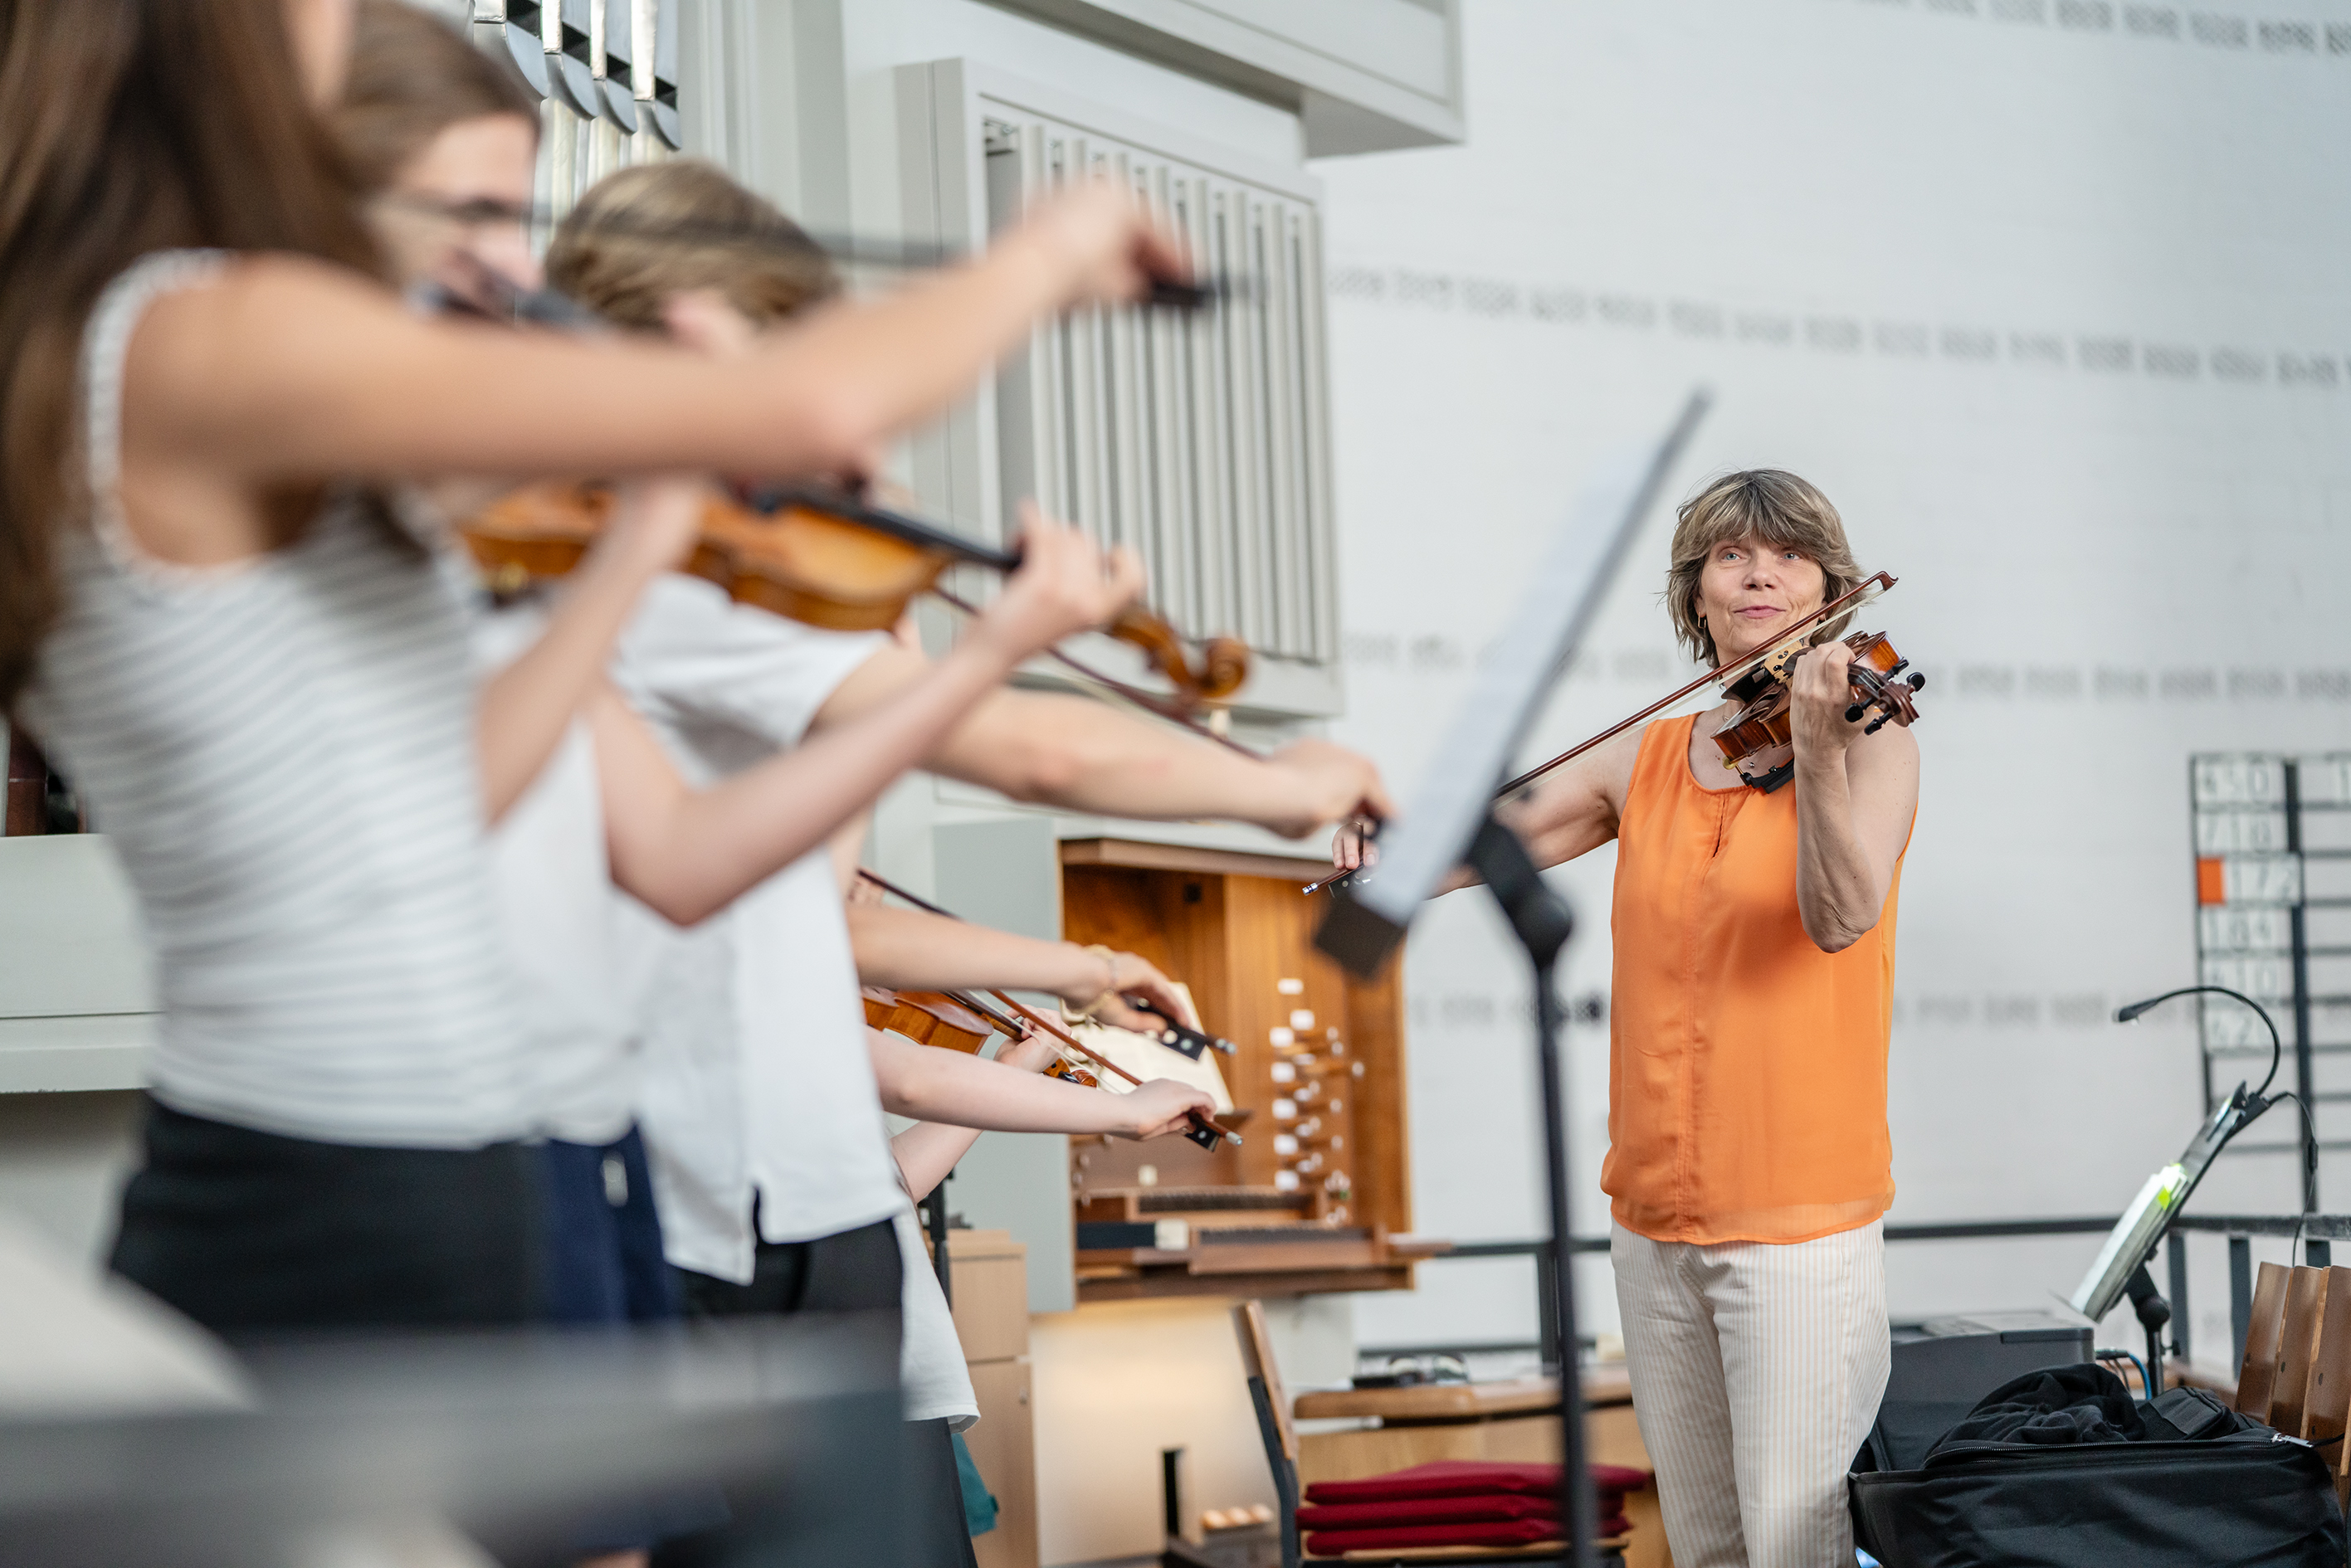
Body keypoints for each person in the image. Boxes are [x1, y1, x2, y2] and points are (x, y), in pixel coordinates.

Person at [0, 0, 1192, 1337]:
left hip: (466, 1158)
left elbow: (477, 803)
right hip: (345, 1166)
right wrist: (1046, 247)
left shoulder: (164, 339)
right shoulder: (198, 328)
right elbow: (808, 405)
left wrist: (640, 531)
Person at [541, 161, 1389, 1567]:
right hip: (714, 1203)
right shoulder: (662, 582)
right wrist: (1272, 785)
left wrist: (1075, 966)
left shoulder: (703, 583)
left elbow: (834, 918)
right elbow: (1027, 764)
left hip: (803, 1207)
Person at [1342, 471, 1916, 1567]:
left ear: (1830, 587)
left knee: (1793, 1544)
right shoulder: (1638, 757)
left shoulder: (1868, 737)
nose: (1757, 571)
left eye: (1788, 555)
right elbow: (1485, 839)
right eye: (1729, 554)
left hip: (1797, 1219)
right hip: (1652, 1217)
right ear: (1692, 591)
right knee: (1702, 1546)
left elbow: (1843, 915)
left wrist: (1821, 750)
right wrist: (1386, 847)